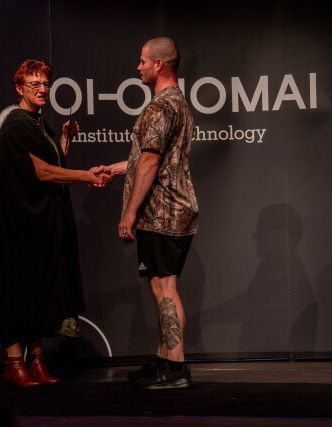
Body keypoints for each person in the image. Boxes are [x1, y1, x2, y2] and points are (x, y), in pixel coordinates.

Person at [0, 59, 110, 387]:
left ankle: (36, 359)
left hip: (38, 225)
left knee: (39, 291)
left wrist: (65, 139)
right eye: (34, 84)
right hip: (18, 226)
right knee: (19, 292)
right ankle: (14, 362)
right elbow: (41, 172)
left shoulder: (38, 123)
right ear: (19, 88)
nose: (42, 90)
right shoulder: (16, 125)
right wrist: (88, 176)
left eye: (45, 84)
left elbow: (55, 163)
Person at [101, 37, 199, 389]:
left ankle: (176, 368)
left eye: (143, 61)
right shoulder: (179, 103)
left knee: (164, 288)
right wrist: (115, 169)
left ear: (159, 65)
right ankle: (162, 359)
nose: (138, 67)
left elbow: (151, 162)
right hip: (176, 210)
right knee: (162, 286)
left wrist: (129, 213)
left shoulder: (160, 107)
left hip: (161, 213)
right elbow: (152, 158)